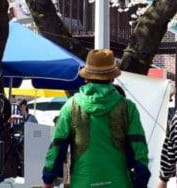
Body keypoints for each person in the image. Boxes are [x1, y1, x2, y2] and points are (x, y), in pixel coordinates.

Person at [42, 49, 150, 188]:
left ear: (86, 77)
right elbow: (139, 147)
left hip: (83, 182)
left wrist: (48, 178)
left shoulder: (71, 106)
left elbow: (57, 145)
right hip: (119, 182)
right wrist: (141, 181)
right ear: (112, 77)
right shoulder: (127, 107)